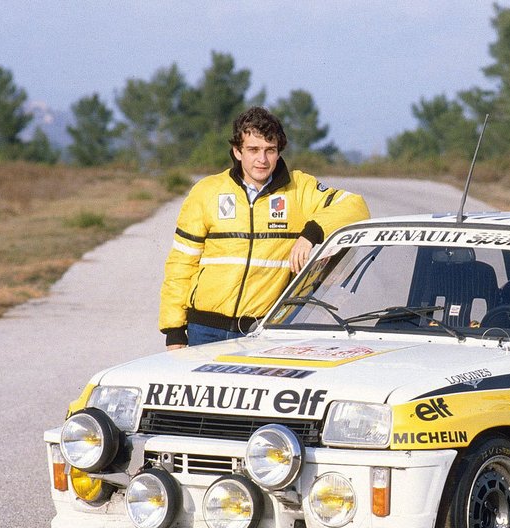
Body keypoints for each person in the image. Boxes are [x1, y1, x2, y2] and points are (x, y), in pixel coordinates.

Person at [158, 106, 370, 348]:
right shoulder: (206, 191)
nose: (262, 159)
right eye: (253, 150)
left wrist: (311, 233)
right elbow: (180, 265)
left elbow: (355, 205)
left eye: (270, 150)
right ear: (237, 151)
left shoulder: (299, 189)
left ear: (279, 152)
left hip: (261, 333)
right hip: (203, 330)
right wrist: (173, 330)